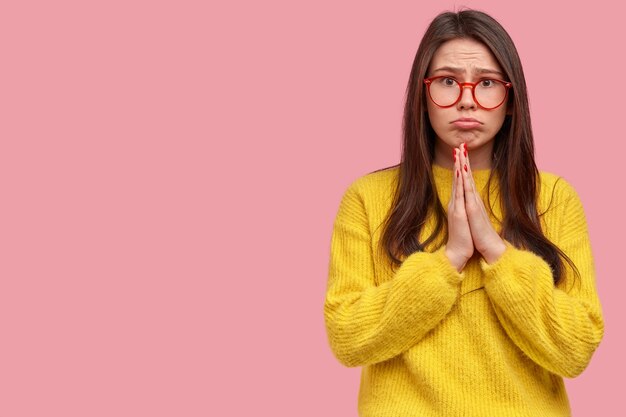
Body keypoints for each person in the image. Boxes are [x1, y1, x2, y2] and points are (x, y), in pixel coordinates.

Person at [323, 9, 604, 417]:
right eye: (448, 82)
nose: (467, 99)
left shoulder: (555, 198)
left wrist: (495, 252)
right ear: (423, 95)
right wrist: (449, 259)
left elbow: (575, 349)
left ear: (510, 101)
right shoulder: (368, 197)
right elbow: (348, 339)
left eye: (487, 83)